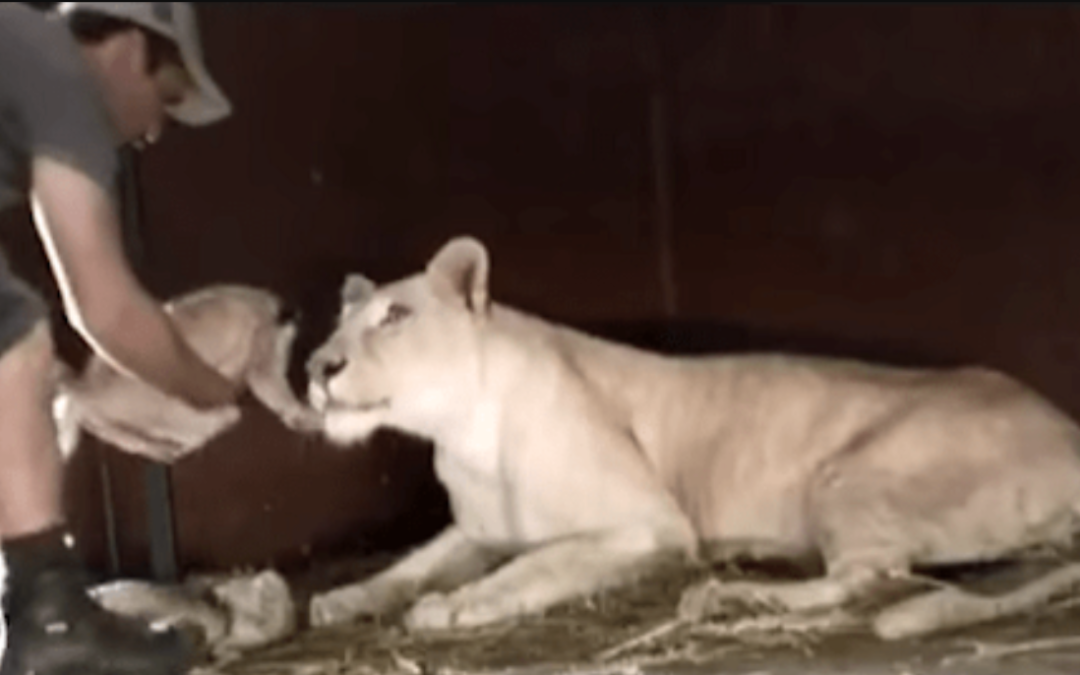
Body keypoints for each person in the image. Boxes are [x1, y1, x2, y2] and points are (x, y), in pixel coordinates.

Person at [0, 2, 246, 673]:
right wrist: (214, 390)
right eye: (164, 98)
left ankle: (42, 609)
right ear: (133, 48)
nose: (156, 129)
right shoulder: (59, 71)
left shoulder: (19, 54)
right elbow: (104, 308)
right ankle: (49, 616)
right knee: (13, 336)